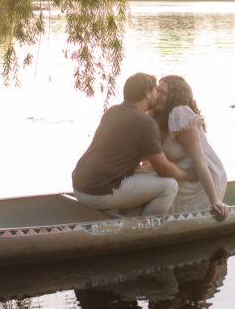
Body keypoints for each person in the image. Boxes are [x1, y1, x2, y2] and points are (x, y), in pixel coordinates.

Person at [72, 72, 192, 216]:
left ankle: (129, 214)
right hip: (98, 194)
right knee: (170, 185)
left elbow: (129, 154)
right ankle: (145, 230)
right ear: (147, 94)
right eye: (155, 91)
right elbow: (164, 170)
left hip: (79, 187)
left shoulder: (113, 111)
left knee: (143, 177)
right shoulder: (145, 123)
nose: (157, 96)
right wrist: (188, 175)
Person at [151, 75, 230, 219]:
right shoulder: (157, 116)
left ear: (174, 96)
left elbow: (199, 160)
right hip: (184, 172)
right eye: (157, 91)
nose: (158, 96)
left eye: (163, 93)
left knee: (159, 183)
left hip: (203, 179)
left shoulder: (179, 113)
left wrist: (215, 201)